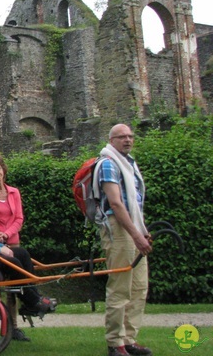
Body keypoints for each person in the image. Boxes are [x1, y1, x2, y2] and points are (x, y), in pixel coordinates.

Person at [0, 152, 56, 342]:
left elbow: (19, 218)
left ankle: (16, 325)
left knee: (19, 271)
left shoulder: (14, 192)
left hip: (12, 241)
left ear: (3, 169)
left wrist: (6, 233)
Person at [98, 124, 152, 356]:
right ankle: (115, 343)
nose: (127, 140)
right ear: (112, 140)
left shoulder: (130, 164)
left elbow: (135, 205)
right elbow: (117, 204)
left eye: (130, 136)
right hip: (119, 230)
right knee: (121, 287)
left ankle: (129, 339)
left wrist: (143, 229)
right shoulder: (109, 163)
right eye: (122, 137)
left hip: (132, 227)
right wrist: (136, 234)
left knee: (139, 286)